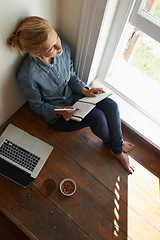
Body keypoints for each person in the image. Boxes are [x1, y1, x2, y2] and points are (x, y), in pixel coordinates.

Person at [7, 16, 135, 173]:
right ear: (35, 52)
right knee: (97, 118)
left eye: (57, 38)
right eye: (51, 48)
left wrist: (85, 90)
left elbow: (72, 76)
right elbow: (37, 106)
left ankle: (116, 145)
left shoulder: (64, 49)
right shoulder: (27, 75)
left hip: (77, 98)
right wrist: (60, 110)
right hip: (59, 117)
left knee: (111, 106)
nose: (59, 47)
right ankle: (117, 149)